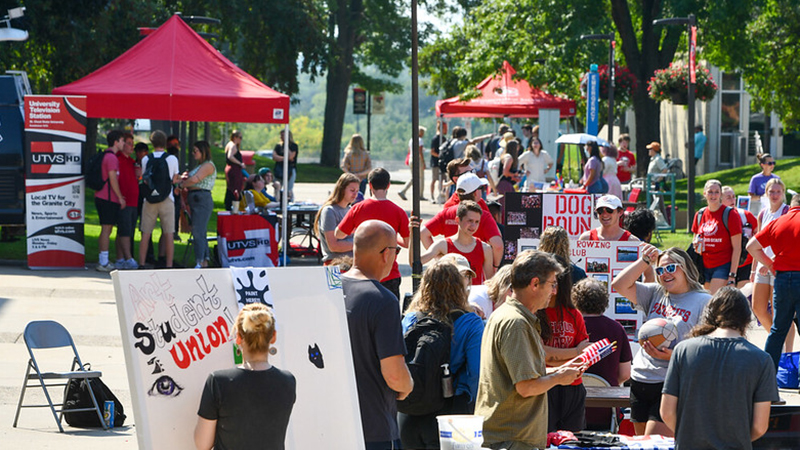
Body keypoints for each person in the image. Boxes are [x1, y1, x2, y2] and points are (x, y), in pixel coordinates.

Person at [475, 250, 582, 450]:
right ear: (534, 284)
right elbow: (526, 387)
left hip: (510, 436)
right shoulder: (516, 323)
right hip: (512, 439)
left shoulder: (509, 315)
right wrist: (559, 378)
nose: (554, 292)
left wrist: (562, 371)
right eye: (552, 284)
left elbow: (521, 375)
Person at [611, 245, 711, 437]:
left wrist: (673, 356)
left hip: (671, 382)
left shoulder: (704, 301)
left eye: (671, 268)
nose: (665, 274)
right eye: (660, 270)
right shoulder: (656, 293)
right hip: (640, 379)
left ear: (685, 267)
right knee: (641, 442)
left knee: (654, 442)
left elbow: (708, 350)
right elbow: (619, 285)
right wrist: (645, 261)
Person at [660, 287, 778, 449]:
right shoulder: (762, 360)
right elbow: (759, 427)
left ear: (710, 314)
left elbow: (666, 412)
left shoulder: (683, 350)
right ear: (746, 319)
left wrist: (688, 435)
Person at [342, 220, 414, 449]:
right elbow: (394, 374)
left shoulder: (329, 288)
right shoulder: (383, 301)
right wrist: (408, 385)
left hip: (334, 422)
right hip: (374, 428)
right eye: (396, 250)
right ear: (386, 254)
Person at [398, 261, 485, 449]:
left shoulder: (411, 318)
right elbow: (476, 372)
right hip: (449, 414)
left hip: (408, 411)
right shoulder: (471, 322)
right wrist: (467, 403)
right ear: (459, 286)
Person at [194, 304, 296, 450]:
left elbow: (202, 444)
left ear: (238, 338)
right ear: (273, 337)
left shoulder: (218, 382)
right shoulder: (288, 381)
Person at [335, 168, 410, 300]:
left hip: (362, 273)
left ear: (370, 185)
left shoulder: (358, 208)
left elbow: (339, 234)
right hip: (389, 273)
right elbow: (406, 243)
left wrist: (356, 229)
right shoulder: (398, 211)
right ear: (388, 185)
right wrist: (389, 237)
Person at [746, 194, 800, 369]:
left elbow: (751, 246)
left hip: (783, 279)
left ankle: (768, 380)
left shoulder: (778, 222)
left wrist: (770, 264)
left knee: (777, 330)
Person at [572, 278, 632, 431]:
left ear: (575, 299)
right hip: (607, 410)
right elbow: (625, 374)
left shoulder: (569, 328)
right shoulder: (617, 329)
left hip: (571, 408)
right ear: (604, 300)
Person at [540, 257, 591, 432]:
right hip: (546, 386)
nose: (552, 291)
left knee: (572, 440)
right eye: (549, 284)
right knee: (546, 440)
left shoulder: (574, 314)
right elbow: (541, 355)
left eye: (555, 284)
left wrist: (556, 360)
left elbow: (585, 357)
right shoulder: (536, 313)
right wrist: (575, 351)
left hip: (574, 387)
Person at [421, 173, 503, 269]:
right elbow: (498, 245)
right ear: (476, 193)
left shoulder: (447, 212)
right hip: (476, 273)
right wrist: (494, 266)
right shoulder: (483, 215)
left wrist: (440, 259)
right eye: (481, 188)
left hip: (451, 272)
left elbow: (423, 233)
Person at [750, 179, 793, 339]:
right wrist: (753, 269)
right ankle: (776, 341)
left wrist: (771, 261)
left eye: (778, 192)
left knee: (780, 313)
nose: (775, 195)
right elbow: (757, 242)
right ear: (766, 193)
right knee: (758, 308)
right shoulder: (763, 213)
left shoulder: (787, 211)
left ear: (783, 193)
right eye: (771, 192)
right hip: (763, 265)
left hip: (780, 267)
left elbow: (790, 243)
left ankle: (787, 354)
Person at [417, 200, 493, 285]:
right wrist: (413, 234)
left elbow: (489, 283)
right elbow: (416, 262)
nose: (473, 226)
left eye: (477, 222)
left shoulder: (485, 248)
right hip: (449, 297)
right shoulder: (443, 245)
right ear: (457, 220)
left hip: (473, 297)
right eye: (470, 221)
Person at [138, 130, 181, 269]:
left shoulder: (146, 159)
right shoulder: (172, 159)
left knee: (146, 233)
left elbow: (145, 178)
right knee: (169, 233)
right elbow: (174, 179)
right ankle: (168, 265)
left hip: (149, 199)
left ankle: (142, 263)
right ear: (165, 143)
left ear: (152, 142)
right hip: (167, 198)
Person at [691, 179, 742, 294]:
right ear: (704, 193)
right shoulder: (700, 214)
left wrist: (732, 275)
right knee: (705, 301)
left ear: (720, 194)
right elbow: (695, 239)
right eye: (710, 192)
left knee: (712, 300)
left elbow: (737, 248)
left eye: (716, 192)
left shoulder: (730, 214)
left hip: (723, 265)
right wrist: (696, 244)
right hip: (703, 266)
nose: (713, 195)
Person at [179, 140, 216, 269]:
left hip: (202, 198)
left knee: (198, 231)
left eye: (196, 151)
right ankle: (204, 260)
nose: (193, 153)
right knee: (200, 230)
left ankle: (200, 261)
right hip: (195, 198)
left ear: (203, 151)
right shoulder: (199, 166)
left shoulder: (208, 165)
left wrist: (181, 185)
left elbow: (195, 179)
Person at [95, 130, 127, 272]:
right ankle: (103, 261)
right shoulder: (112, 158)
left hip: (103, 197)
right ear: (115, 142)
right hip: (107, 198)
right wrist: (120, 197)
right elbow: (112, 178)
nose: (123, 143)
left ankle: (103, 259)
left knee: (106, 229)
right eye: (121, 140)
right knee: (106, 229)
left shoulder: (105, 155)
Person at [314, 173, 360, 265]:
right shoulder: (329, 211)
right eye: (352, 190)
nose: (355, 194)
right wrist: (360, 244)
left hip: (352, 263)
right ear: (342, 189)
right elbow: (334, 246)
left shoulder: (350, 210)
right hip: (334, 264)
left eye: (357, 191)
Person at [721, 185, 757, 288]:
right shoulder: (718, 217)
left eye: (733, 196)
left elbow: (759, 236)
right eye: (728, 197)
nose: (732, 199)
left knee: (743, 297)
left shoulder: (745, 215)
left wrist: (750, 240)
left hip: (745, 263)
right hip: (725, 263)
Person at [114, 132, 139, 270]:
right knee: (124, 231)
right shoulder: (117, 159)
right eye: (129, 143)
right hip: (124, 201)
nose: (131, 147)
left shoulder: (132, 161)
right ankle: (128, 258)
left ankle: (120, 258)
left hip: (133, 201)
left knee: (125, 230)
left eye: (132, 144)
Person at [399, 126, 427, 201]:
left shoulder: (411, 140)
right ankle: (420, 195)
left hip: (411, 158)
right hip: (417, 159)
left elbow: (409, 150)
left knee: (413, 177)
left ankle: (403, 190)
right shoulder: (420, 140)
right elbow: (420, 152)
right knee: (420, 177)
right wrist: (423, 162)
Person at [273, 129, 298, 203]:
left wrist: (286, 146)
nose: (281, 137)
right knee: (277, 187)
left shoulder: (293, 146)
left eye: (283, 135)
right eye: (280, 135)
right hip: (279, 169)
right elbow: (274, 157)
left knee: (288, 188)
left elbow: (291, 157)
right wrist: (284, 158)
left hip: (290, 169)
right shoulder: (278, 146)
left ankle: (289, 201)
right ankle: (277, 201)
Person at [224, 130, 245, 211]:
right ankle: (234, 206)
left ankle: (230, 205)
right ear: (234, 137)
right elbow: (230, 156)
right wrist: (240, 163)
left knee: (230, 188)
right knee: (236, 189)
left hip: (230, 169)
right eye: (239, 137)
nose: (240, 140)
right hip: (234, 170)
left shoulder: (229, 144)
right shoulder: (233, 145)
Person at [429, 120, 447, 203]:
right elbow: (432, 151)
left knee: (442, 179)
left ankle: (441, 195)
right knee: (435, 179)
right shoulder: (436, 139)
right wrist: (439, 156)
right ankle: (432, 196)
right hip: (435, 162)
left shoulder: (444, 139)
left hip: (442, 163)